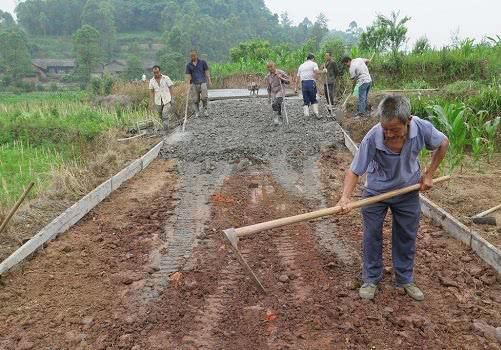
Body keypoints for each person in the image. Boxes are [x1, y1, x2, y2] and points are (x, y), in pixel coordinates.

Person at [336, 95, 449, 301]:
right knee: (372, 235)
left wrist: (429, 174)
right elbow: (355, 170)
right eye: (385, 128)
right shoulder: (373, 137)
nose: (388, 134)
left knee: (406, 235)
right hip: (376, 193)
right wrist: (345, 198)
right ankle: (371, 278)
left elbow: (443, 143)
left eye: (394, 129)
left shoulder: (421, 128)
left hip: (407, 191)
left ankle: (404, 278)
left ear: (408, 121)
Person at [185, 50, 211, 117]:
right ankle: (197, 112)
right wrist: (188, 85)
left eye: (194, 55)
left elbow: (206, 71)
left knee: (205, 97)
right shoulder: (189, 65)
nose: (193, 57)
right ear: (190, 56)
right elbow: (188, 76)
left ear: (197, 55)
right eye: (191, 56)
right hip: (194, 83)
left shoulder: (202, 62)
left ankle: (205, 110)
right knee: (195, 99)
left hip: (203, 82)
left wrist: (209, 80)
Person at [149, 65, 174, 133]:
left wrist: (172, 98)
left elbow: (171, 87)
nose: (156, 74)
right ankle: (167, 127)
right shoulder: (151, 81)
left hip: (167, 99)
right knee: (161, 116)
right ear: (153, 72)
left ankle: (166, 130)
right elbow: (151, 91)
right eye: (154, 73)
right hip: (158, 101)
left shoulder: (166, 78)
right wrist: (151, 102)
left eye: (157, 72)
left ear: (160, 71)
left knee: (164, 114)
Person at [265, 61, 290, 126]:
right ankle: (278, 115)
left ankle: (278, 116)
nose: (270, 68)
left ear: (274, 66)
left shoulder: (280, 72)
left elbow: (288, 81)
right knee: (274, 104)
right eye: (268, 67)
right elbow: (268, 88)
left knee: (277, 102)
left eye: (271, 67)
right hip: (273, 92)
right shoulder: (268, 76)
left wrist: (281, 78)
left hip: (280, 90)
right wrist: (268, 97)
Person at [296, 53, 320, 118]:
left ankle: (306, 115)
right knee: (313, 99)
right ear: (312, 58)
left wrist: (295, 88)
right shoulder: (314, 64)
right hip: (311, 82)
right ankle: (316, 113)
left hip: (303, 83)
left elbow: (297, 77)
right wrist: (324, 71)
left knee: (305, 99)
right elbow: (317, 72)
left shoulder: (301, 65)